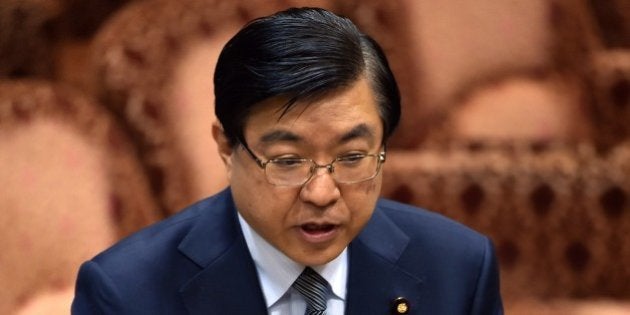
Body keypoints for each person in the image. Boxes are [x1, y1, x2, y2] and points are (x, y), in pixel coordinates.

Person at [72, 7, 503, 315]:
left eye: (352, 157)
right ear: (226, 146)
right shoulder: (126, 294)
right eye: (287, 161)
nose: (322, 193)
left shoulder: (459, 268)